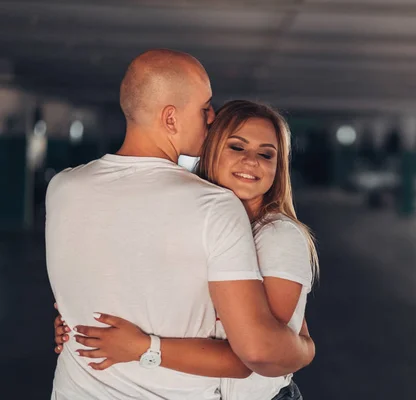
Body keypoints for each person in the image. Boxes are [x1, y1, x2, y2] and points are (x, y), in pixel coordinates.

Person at [46, 50, 315, 400]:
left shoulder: (61, 188)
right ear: (171, 119)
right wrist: (306, 347)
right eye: (204, 107)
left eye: (266, 153)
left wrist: (75, 316)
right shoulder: (215, 207)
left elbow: (108, 282)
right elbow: (248, 356)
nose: (212, 116)